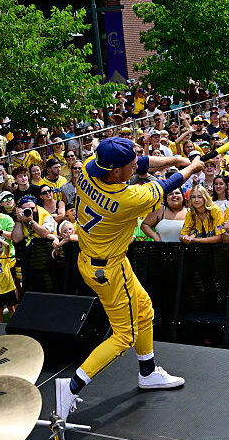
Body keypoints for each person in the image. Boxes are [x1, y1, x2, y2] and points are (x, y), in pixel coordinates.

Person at [55, 138, 203, 422]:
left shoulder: (89, 168)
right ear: (114, 172)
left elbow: (144, 163)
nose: (137, 165)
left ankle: (148, 372)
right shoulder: (126, 200)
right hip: (110, 270)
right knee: (124, 336)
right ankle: (71, 387)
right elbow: (167, 185)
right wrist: (192, 167)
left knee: (144, 307)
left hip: (93, 259)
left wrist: (174, 160)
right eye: (130, 165)